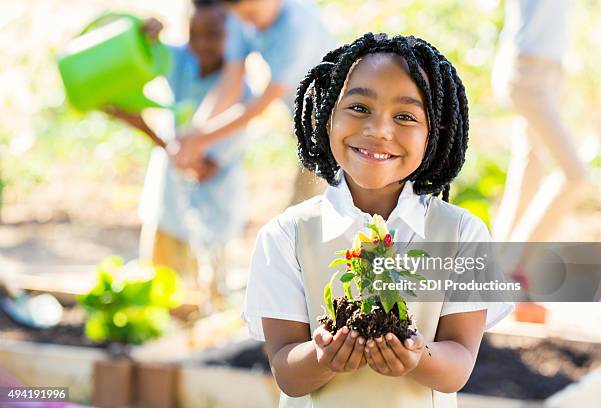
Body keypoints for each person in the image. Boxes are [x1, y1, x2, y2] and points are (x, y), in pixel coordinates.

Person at [242, 33, 513, 407]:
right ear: (327, 117)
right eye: (358, 108)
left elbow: (459, 364)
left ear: (435, 134)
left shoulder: (462, 233)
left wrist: (417, 356)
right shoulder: (286, 236)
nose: (379, 130)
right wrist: (322, 357)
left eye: (405, 116)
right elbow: (286, 370)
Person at [106, 0, 251, 301]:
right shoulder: (182, 61)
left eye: (213, 34)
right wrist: (145, 31)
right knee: (160, 290)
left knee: (209, 298)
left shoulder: (238, 93)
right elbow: (145, 55)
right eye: (193, 34)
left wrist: (142, 126)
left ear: (233, 34)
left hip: (211, 210)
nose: (201, 44)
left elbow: (198, 167)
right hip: (168, 201)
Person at [170, 0, 337, 205]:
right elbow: (231, 82)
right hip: (300, 110)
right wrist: (196, 130)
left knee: (312, 195)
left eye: (251, 15)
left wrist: (202, 139)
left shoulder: (297, 26)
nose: (246, 23)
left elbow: (262, 103)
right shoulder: (241, 15)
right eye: (240, 16)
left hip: (330, 111)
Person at [491, 0, 589, 243]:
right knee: (576, 176)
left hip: (548, 75)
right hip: (527, 72)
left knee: (529, 171)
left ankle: (496, 263)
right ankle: (512, 263)